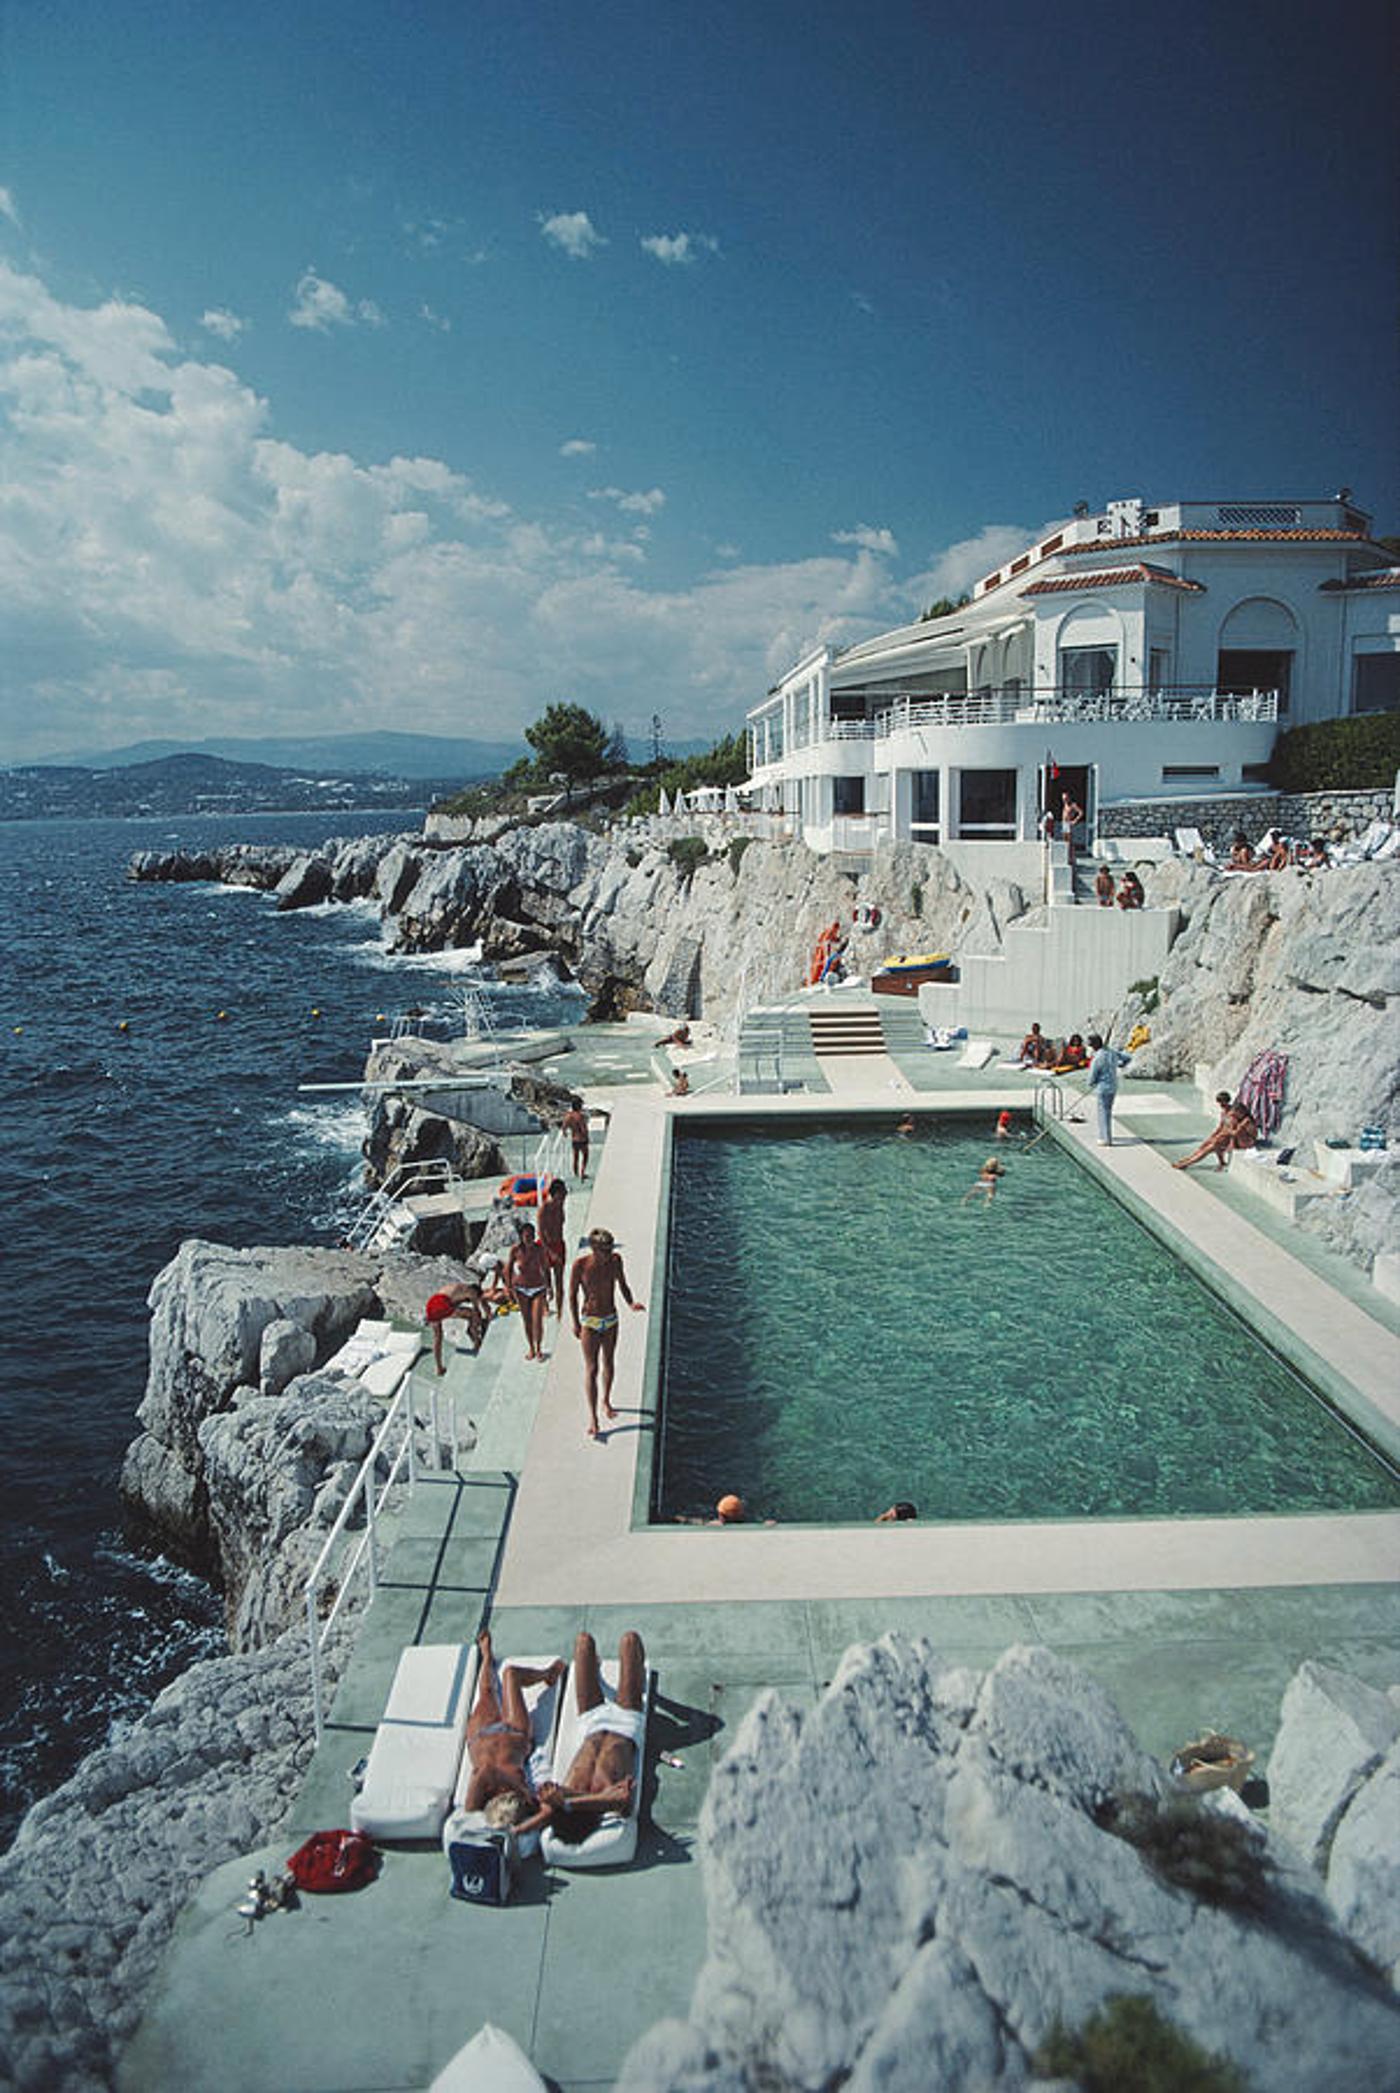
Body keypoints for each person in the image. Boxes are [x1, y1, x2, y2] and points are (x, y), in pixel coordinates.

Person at [536, 1630, 646, 1847]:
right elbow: (621, 1801)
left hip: (591, 1722)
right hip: (626, 1723)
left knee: (583, 1641)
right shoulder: (615, 1801)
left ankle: (596, 1670)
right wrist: (570, 1803)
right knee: (630, 1640)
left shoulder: (564, 1792)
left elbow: (548, 1794)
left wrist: (566, 1801)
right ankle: (638, 1676)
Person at [459, 1629, 566, 1837]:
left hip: (481, 1735)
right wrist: (519, 1828)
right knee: (510, 1674)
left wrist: (516, 1785)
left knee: (488, 1691)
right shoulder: (528, 1800)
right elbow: (549, 1811)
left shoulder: (473, 1806)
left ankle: (487, 1655)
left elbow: (485, 1771)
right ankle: (547, 1675)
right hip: (516, 1733)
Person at [569, 1227, 644, 1438]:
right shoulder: (580, 1266)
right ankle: (593, 1417)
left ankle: (606, 1400)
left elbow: (623, 1285)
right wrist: (575, 1322)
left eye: (610, 1248)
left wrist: (631, 1303)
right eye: (605, 1249)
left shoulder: (615, 1261)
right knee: (591, 1369)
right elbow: (572, 1295)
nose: (609, 1252)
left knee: (609, 1363)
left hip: (610, 1318)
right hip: (590, 1321)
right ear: (594, 1248)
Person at [1173, 1091, 1258, 1171]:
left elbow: (1234, 1132)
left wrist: (1226, 1141)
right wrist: (1213, 1136)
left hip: (1242, 1140)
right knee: (1207, 1143)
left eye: (1222, 1102)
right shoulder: (1225, 1113)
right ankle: (1188, 1159)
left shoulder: (1237, 1116)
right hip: (1230, 1137)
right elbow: (1221, 1127)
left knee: (1213, 1145)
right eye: (1219, 1102)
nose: (1221, 1104)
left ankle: (1187, 1163)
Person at [506, 1220, 551, 1362]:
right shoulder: (515, 1250)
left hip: (538, 1288)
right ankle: (531, 1347)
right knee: (527, 1321)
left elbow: (546, 1268)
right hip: (520, 1289)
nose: (530, 1239)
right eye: (526, 1236)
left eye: (532, 1235)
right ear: (521, 1237)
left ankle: (538, 1349)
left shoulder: (540, 1249)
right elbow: (507, 1270)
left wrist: (550, 1287)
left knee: (537, 1321)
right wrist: (509, 1288)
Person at [425, 1280, 487, 1374]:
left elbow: (454, 1302)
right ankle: (475, 1338)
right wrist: (481, 1320)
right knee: (472, 1314)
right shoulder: (469, 1290)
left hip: (431, 1305)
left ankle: (439, 1368)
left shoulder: (454, 1288)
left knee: (438, 1337)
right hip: (442, 1305)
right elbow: (476, 1308)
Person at [1085, 1033, 1131, 1146]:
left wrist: (1090, 1083)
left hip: (1103, 1088)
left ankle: (1105, 1138)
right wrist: (1119, 1064)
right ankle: (1106, 1135)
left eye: (1091, 1045)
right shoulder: (1112, 1052)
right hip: (1113, 1086)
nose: (1091, 1048)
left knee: (1103, 1113)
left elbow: (1092, 1076)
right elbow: (1128, 1058)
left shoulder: (1098, 1058)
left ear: (1095, 1045)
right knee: (1107, 1111)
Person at [538, 1176, 568, 1317]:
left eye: (564, 1194)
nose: (563, 1197)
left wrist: (557, 1251)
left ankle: (560, 1310)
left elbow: (560, 1226)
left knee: (559, 1281)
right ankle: (545, 1307)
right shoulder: (544, 1209)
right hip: (545, 1246)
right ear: (554, 1194)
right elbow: (541, 1234)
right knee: (546, 1280)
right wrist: (550, 1252)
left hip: (559, 1245)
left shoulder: (560, 1205)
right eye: (561, 1194)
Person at [562, 1096, 591, 1180]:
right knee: (585, 1156)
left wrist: (565, 1133)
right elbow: (583, 1128)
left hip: (574, 1139)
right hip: (582, 1139)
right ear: (579, 1106)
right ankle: (582, 1172)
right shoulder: (580, 1116)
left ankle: (576, 1174)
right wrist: (587, 1136)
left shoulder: (569, 1116)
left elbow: (564, 1126)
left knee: (575, 1158)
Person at [1061, 792, 1084, 866]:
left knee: (1070, 842)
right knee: (1065, 841)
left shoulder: (1073, 805)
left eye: (1066, 798)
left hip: (1069, 824)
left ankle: (1072, 859)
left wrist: (1075, 821)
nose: (1065, 800)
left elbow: (1081, 812)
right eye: (1063, 799)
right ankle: (1066, 857)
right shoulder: (1065, 805)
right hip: (1064, 824)